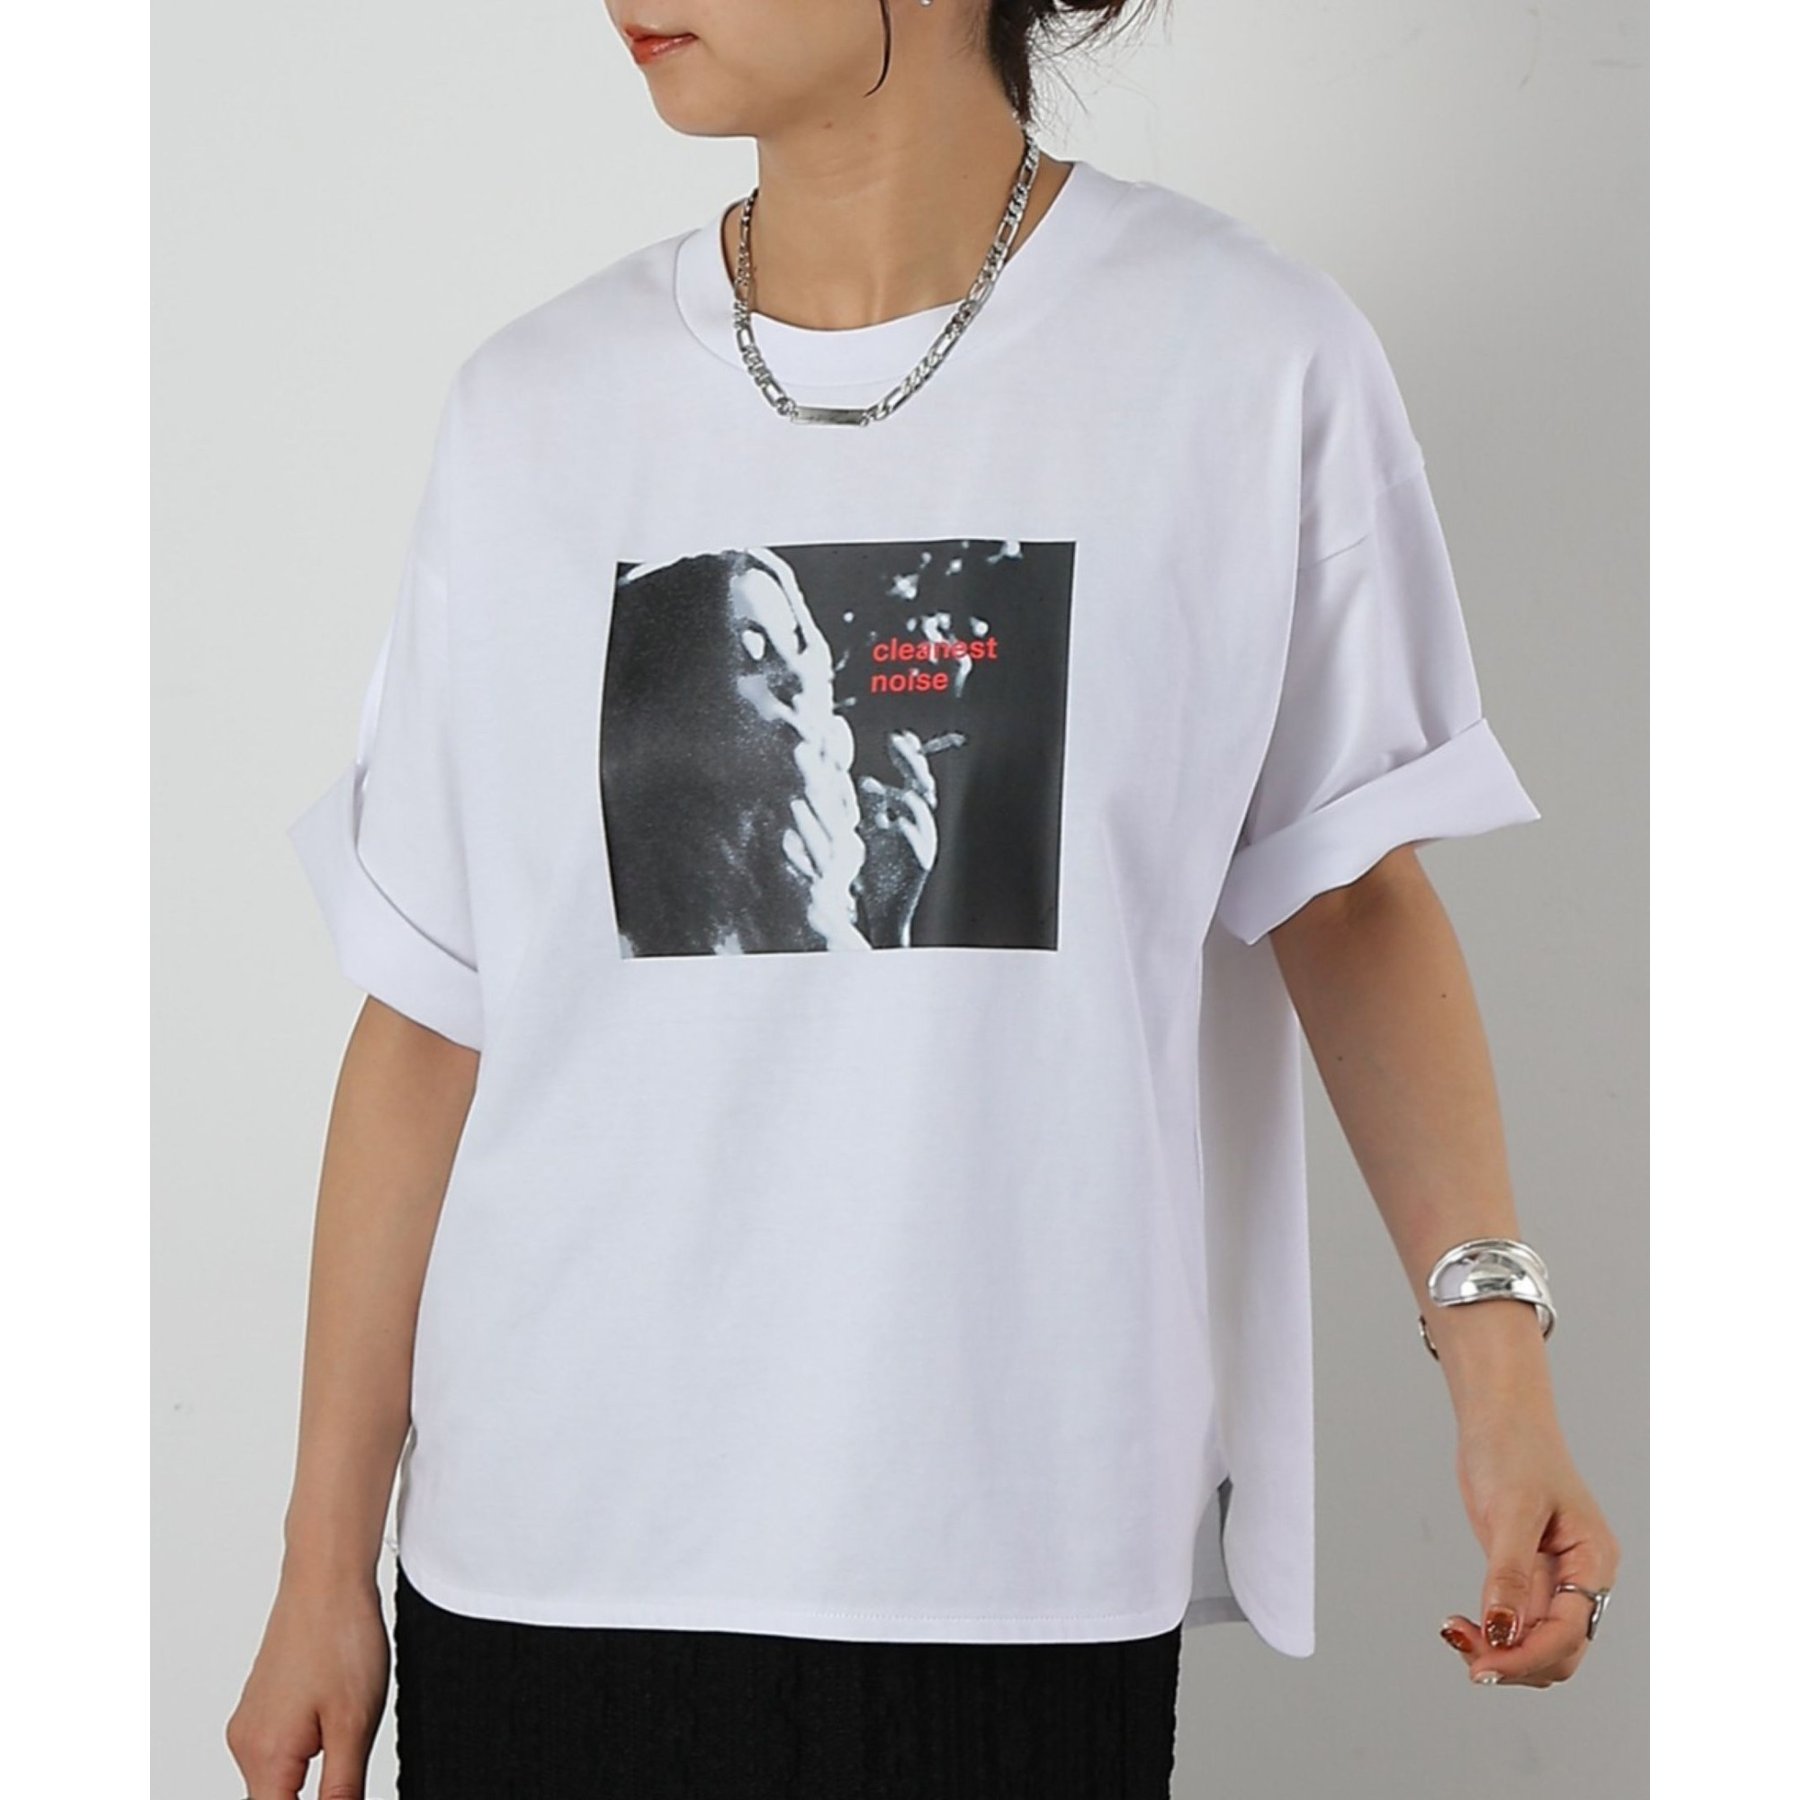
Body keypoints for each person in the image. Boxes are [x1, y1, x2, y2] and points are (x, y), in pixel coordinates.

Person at [226, 2, 1623, 1796]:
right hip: (551, 1561)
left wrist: (1502, 1382)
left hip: (1012, 1557)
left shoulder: (1244, 359)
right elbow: (432, 1021)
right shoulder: (534, 412)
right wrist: (319, 1567)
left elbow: (1349, 900)